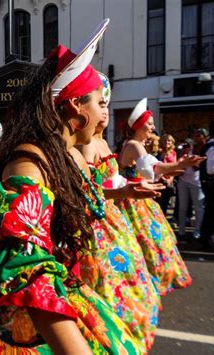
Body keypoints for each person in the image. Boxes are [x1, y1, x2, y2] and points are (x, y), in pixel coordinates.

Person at [0, 18, 141, 354]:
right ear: (76, 105)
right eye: (98, 103)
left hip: (70, 297)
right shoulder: (30, 166)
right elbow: (27, 273)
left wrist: (123, 192)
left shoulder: (65, 156)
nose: (105, 113)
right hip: (29, 326)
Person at [76, 73, 161, 350]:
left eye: (106, 104)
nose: (105, 110)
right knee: (105, 285)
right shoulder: (85, 144)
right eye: (100, 104)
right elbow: (85, 192)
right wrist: (123, 192)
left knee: (131, 284)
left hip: (112, 220)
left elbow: (111, 180)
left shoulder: (101, 143)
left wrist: (130, 186)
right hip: (96, 225)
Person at [117, 98, 203, 295]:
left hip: (139, 200)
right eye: (149, 124)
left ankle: (145, 282)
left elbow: (152, 171)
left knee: (147, 242)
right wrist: (179, 165)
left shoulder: (134, 145)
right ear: (138, 126)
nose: (153, 127)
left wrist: (174, 169)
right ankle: (145, 283)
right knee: (145, 242)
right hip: (133, 201)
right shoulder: (133, 145)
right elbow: (152, 169)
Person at [177, 139, 204, 240]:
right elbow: (178, 169)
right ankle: (181, 231)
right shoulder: (180, 154)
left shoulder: (197, 154)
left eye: (187, 146)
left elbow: (198, 167)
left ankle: (197, 233)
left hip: (195, 182)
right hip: (183, 182)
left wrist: (189, 160)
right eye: (184, 146)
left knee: (198, 208)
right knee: (182, 208)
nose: (185, 148)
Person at [199, 118, 214, 251]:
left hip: (211, 185)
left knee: (211, 213)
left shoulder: (210, 145)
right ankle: (211, 241)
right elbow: (213, 169)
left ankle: (207, 239)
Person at [156, 134, 177, 214]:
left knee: (165, 203)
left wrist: (170, 179)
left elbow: (174, 166)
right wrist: (162, 177)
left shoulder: (173, 153)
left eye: (169, 141)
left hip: (168, 181)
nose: (167, 142)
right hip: (159, 179)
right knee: (158, 202)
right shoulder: (158, 151)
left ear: (172, 142)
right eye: (165, 140)